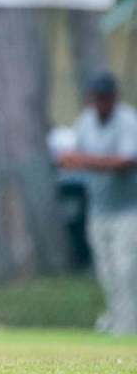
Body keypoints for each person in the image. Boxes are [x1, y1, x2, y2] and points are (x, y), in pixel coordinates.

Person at [58, 71, 137, 334]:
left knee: (127, 268)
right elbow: (70, 156)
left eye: (105, 97)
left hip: (128, 209)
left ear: (114, 98)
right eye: (97, 98)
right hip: (98, 208)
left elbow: (126, 161)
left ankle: (129, 325)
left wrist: (86, 160)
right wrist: (79, 160)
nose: (101, 103)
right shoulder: (85, 121)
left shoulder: (127, 121)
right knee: (106, 270)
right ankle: (119, 319)